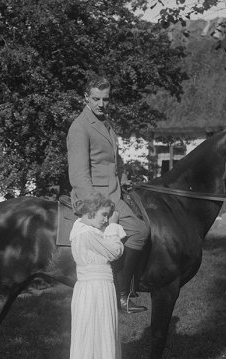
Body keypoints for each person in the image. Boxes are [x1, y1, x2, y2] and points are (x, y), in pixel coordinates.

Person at [67, 75, 150, 314]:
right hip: (97, 197)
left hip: (114, 191)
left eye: (105, 99)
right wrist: (99, 210)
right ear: (85, 97)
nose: (101, 104)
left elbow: (114, 162)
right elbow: (79, 176)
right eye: (96, 98)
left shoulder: (106, 123)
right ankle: (122, 296)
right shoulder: (80, 127)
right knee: (139, 231)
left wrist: (124, 182)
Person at [67, 192, 126, 359]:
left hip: (101, 291)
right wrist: (114, 226)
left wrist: (109, 224)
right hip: (92, 294)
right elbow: (115, 252)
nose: (106, 219)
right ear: (90, 213)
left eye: (108, 216)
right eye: (103, 215)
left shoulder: (89, 230)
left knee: (101, 344)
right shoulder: (87, 233)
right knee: (90, 346)